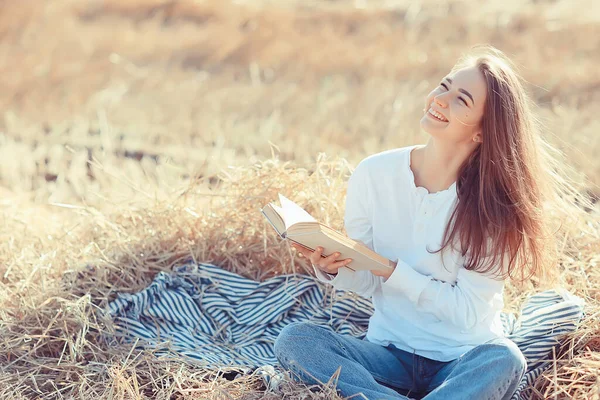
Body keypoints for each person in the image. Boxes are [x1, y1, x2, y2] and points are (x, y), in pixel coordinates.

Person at [273, 45, 589, 400]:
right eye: (444, 86)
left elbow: (467, 312)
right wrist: (333, 268)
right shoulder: (374, 174)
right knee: (296, 340)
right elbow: (364, 283)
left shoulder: (495, 206)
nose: (440, 99)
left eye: (461, 100)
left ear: (483, 132)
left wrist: (393, 271)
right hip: (388, 353)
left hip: (463, 359)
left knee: (505, 359)